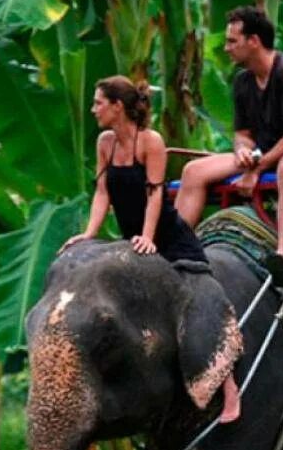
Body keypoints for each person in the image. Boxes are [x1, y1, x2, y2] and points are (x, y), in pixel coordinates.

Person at [61, 76, 241, 423]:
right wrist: (89, 233)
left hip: (168, 236)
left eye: (98, 102)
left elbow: (155, 193)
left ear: (117, 106)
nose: (93, 109)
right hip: (133, 235)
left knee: (200, 295)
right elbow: (102, 193)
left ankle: (229, 388)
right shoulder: (105, 143)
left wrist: (149, 238)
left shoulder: (151, 142)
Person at [174, 6, 283, 287]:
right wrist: (242, 150)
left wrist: (258, 167)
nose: (226, 48)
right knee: (194, 171)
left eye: (232, 41)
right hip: (266, 153)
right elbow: (243, 133)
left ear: (254, 41)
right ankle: (175, 246)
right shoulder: (243, 81)